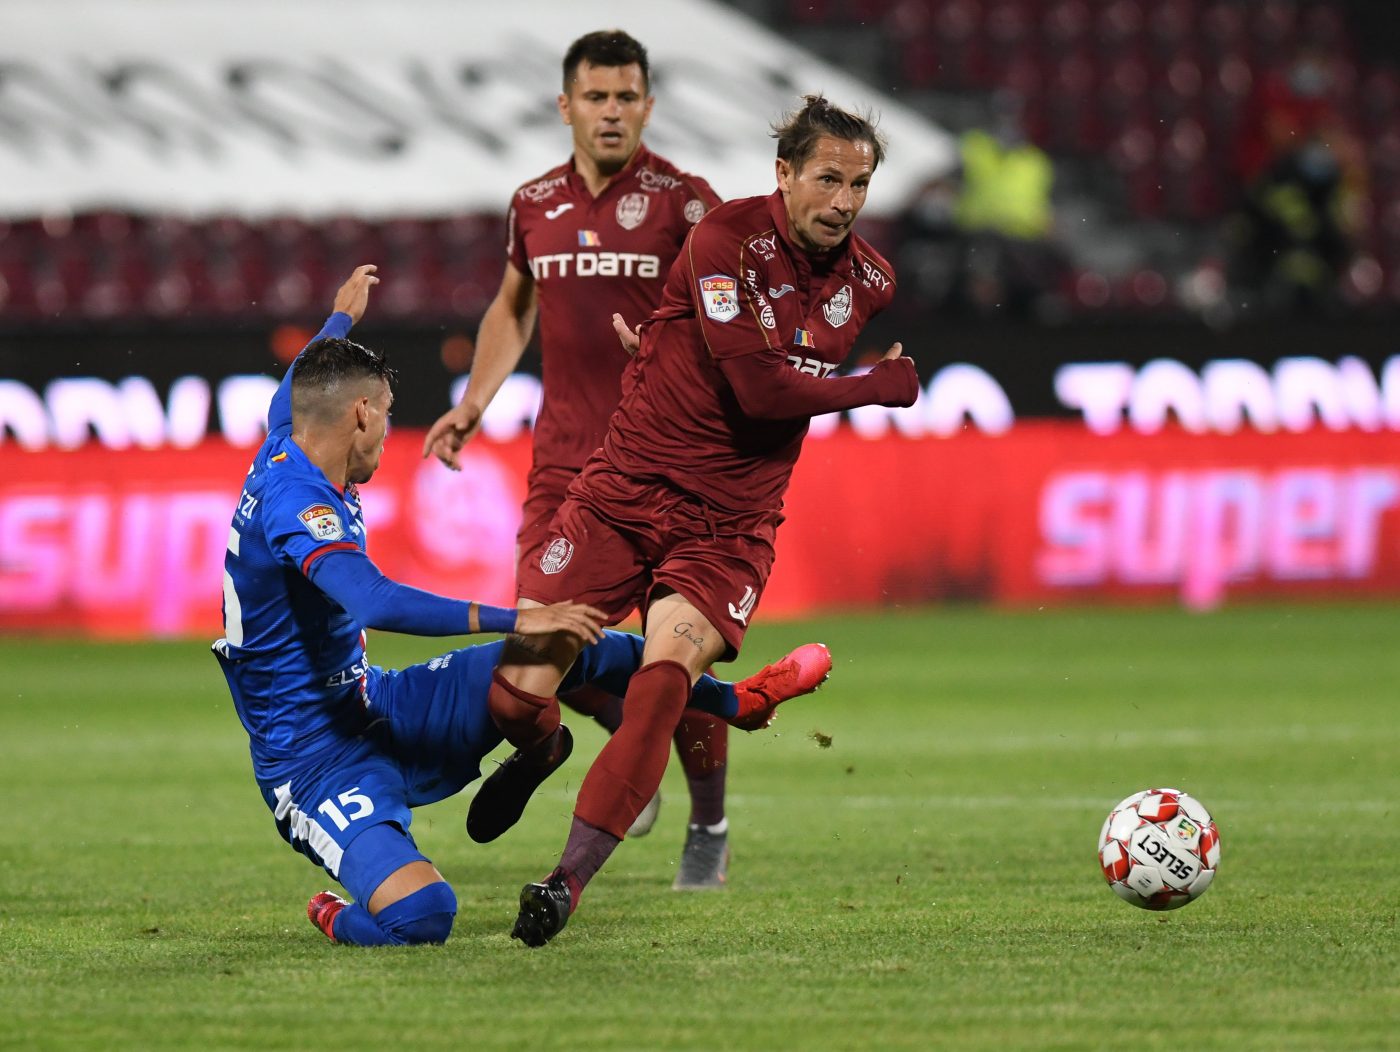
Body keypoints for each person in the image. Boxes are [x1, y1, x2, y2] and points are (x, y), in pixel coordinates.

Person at [212, 265, 832, 946]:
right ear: (360, 412)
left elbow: (302, 377)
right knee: (422, 917)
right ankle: (333, 912)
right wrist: (518, 616)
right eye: (385, 415)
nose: (388, 434)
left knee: (563, 649)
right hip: (313, 760)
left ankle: (738, 703)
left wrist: (339, 319)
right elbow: (371, 601)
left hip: (375, 702)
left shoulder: (289, 434)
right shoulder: (296, 505)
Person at [468, 95, 920, 947]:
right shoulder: (723, 240)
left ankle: (563, 885)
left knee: (664, 681)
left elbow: (772, 378)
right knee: (518, 691)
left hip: (729, 523)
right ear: (783, 173)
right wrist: (877, 386)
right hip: (624, 489)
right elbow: (759, 388)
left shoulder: (870, 282)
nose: (845, 201)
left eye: (860, 183)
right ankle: (538, 749)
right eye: (828, 179)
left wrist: (676, 343)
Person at [422, 29, 743, 889]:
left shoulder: (688, 204)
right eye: (595, 97)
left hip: (674, 470)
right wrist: (474, 402)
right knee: (536, 661)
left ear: (648, 104)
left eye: (626, 96)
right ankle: (612, 746)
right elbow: (511, 306)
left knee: (673, 659)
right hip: (566, 472)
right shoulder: (532, 202)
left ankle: (708, 824)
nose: (611, 112)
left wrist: (680, 345)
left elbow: (732, 322)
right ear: (566, 106)